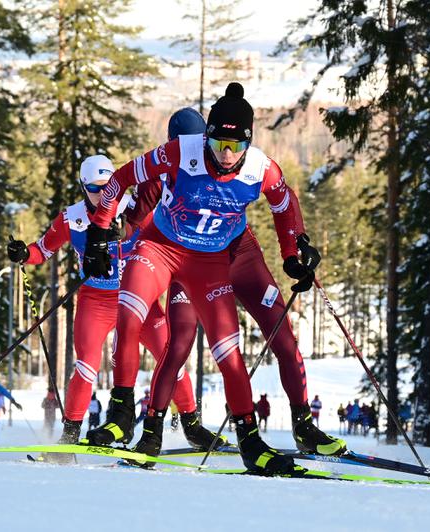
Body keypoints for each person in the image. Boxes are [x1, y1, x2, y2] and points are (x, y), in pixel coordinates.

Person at [84, 83, 324, 475]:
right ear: (204, 138)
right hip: (163, 247)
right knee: (137, 319)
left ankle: (259, 439)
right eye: (217, 145)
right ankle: (125, 414)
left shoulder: (261, 168)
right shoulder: (181, 151)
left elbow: (285, 203)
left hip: (215, 258)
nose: (226, 155)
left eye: (235, 146)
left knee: (233, 349)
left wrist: (294, 251)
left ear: (248, 143)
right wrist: (99, 232)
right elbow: (121, 179)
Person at [124, 107, 345, 457]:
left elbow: (284, 198)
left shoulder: (239, 162)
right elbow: (132, 222)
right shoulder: (164, 171)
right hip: (189, 259)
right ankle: (153, 431)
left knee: (282, 336)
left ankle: (304, 426)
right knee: (179, 344)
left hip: (240, 254)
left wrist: (295, 249)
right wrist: (112, 239)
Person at [7, 154, 220, 450]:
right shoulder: (72, 218)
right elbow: (42, 250)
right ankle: (70, 434)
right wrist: (23, 253)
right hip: (96, 301)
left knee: (171, 356)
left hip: (139, 299)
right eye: (95, 188)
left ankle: (192, 427)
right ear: (83, 188)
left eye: (109, 187)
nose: (104, 194)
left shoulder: (135, 211)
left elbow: (170, 241)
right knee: (86, 365)